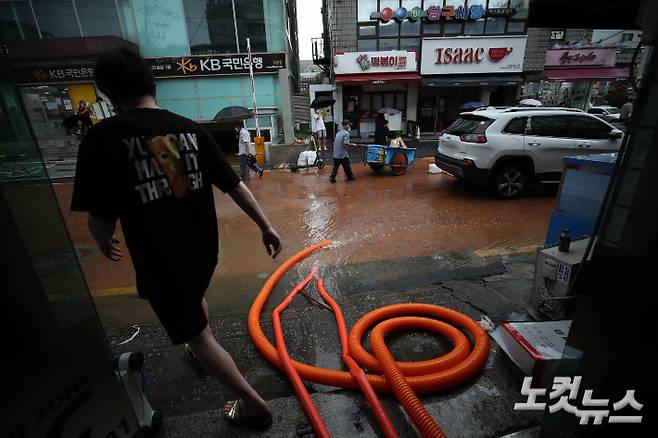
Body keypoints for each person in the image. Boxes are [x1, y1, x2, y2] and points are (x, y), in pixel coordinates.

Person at [71, 47, 280, 430]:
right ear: (152, 82)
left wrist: (102, 239)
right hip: (203, 253)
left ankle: (254, 405)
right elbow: (233, 187)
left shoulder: (103, 139)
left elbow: (99, 216)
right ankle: (199, 339)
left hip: (163, 262)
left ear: (107, 92)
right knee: (193, 304)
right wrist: (266, 225)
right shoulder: (189, 130)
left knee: (198, 338)